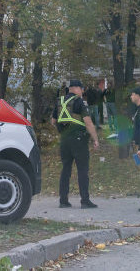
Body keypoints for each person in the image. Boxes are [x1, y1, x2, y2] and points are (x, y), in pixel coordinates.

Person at [53, 79, 100, 209]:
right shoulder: (79, 102)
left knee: (66, 170)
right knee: (82, 170)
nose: (83, 91)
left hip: (64, 141)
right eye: (82, 89)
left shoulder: (59, 101)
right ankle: (85, 201)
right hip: (79, 141)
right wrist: (95, 138)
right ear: (77, 88)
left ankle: (63, 201)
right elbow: (88, 122)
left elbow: (53, 121)